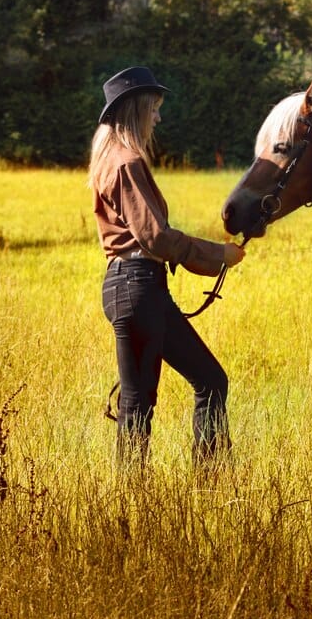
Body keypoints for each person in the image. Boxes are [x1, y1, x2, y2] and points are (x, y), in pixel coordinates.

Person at [88, 66, 245, 470]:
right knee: (143, 402)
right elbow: (154, 237)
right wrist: (217, 256)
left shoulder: (114, 160)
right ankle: (146, 496)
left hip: (136, 288)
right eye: (153, 109)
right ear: (136, 110)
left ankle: (195, 482)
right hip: (138, 287)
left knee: (192, 385)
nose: (157, 117)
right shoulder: (126, 163)